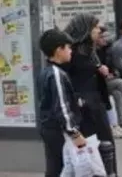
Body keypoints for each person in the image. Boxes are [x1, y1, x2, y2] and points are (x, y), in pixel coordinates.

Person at [63, 14, 116, 170]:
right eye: (95, 27)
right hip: (85, 107)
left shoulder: (90, 50)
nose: (99, 30)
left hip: (96, 103)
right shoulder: (73, 53)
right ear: (85, 29)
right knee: (95, 150)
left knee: (105, 148)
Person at [37, 29, 84, 177]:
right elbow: (61, 107)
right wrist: (75, 134)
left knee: (54, 167)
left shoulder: (45, 72)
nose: (71, 51)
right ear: (59, 50)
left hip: (48, 127)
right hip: (58, 130)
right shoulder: (56, 74)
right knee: (63, 167)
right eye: (68, 47)